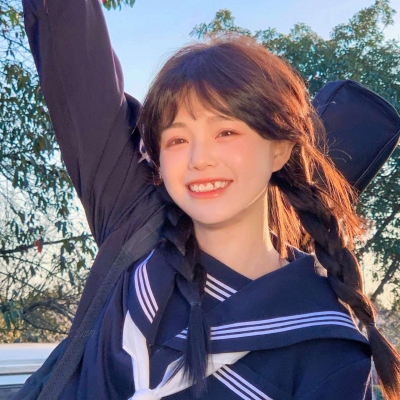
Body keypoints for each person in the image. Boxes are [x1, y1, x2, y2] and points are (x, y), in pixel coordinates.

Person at [16, 0, 400, 399]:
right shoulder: (137, 227)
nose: (199, 159)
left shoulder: (327, 350)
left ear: (279, 150)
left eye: (226, 132)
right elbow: (73, 49)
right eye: (177, 139)